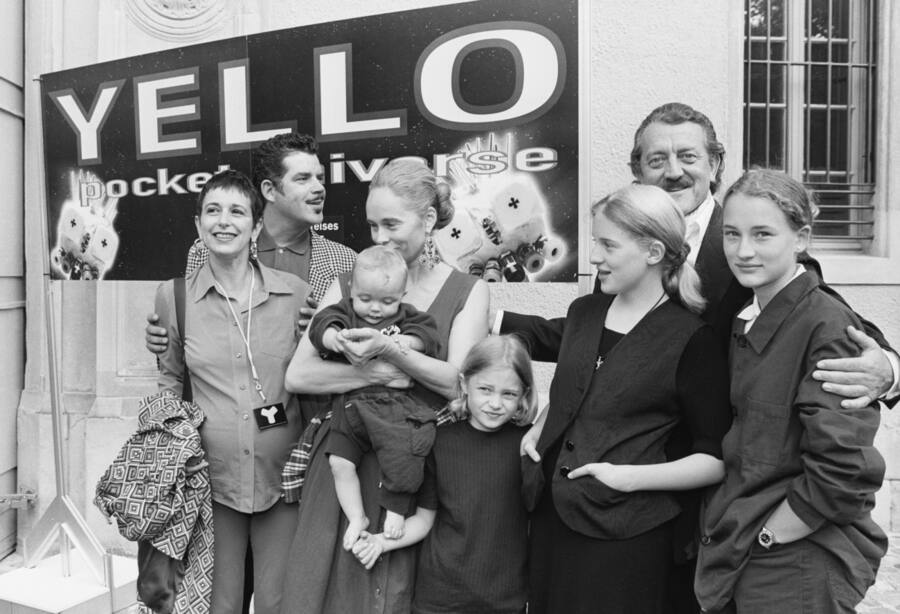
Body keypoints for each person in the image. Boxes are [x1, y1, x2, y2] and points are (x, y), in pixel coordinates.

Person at [498, 102, 898, 613]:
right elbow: (604, 344)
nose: (674, 170)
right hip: (677, 506)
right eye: (657, 159)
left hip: (726, 495)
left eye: (687, 156)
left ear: (714, 165)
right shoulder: (617, 262)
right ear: (638, 170)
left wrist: (890, 370)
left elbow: (837, 329)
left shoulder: (756, 246)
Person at [279, 158, 490, 614]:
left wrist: (392, 352)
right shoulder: (349, 283)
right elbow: (298, 375)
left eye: (391, 224)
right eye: (373, 225)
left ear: (428, 219)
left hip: (414, 467)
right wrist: (372, 374)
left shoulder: (467, 290)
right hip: (345, 462)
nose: (379, 238)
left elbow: (459, 384)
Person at [519, 184, 732, 614]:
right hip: (550, 523)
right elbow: (578, 390)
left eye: (608, 245)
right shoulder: (584, 313)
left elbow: (715, 459)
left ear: (653, 252)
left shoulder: (692, 339)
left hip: (625, 539)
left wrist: (628, 478)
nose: (594, 256)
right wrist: (541, 426)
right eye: (594, 242)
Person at [695, 169, 887, 613]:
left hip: (798, 555)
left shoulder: (827, 326)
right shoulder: (747, 317)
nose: (743, 251)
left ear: (801, 238)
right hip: (745, 544)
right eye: (732, 234)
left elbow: (844, 469)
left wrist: (771, 535)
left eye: (762, 234)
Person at [154, 169, 309, 614]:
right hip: (210, 483)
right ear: (198, 223)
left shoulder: (296, 295)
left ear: (256, 227)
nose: (224, 221)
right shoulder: (174, 297)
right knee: (218, 604)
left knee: (280, 603)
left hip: (283, 480)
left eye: (237, 211)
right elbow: (170, 378)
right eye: (213, 210)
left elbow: (313, 373)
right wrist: (166, 453)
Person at [351, 335, 537, 614]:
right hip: (439, 598)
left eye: (508, 394)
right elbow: (425, 520)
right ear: (464, 384)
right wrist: (380, 542)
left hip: (503, 600)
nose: (495, 403)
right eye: (485, 389)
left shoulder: (527, 445)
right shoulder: (439, 440)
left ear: (523, 394)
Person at [146, 132, 357, 351]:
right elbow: (192, 335)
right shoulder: (206, 250)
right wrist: (168, 339)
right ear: (269, 190)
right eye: (303, 179)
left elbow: (358, 349)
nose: (319, 188)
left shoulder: (345, 261)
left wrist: (325, 334)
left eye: (320, 178)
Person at [307, 244, 442, 546]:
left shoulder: (406, 317)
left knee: (402, 457)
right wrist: (334, 339)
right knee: (339, 463)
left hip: (391, 407)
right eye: (365, 299)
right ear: (352, 290)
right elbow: (320, 326)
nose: (375, 309)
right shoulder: (345, 312)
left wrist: (400, 343)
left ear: (403, 296)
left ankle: (396, 508)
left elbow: (429, 337)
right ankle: (357, 516)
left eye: (387, 301)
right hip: (349, 406)